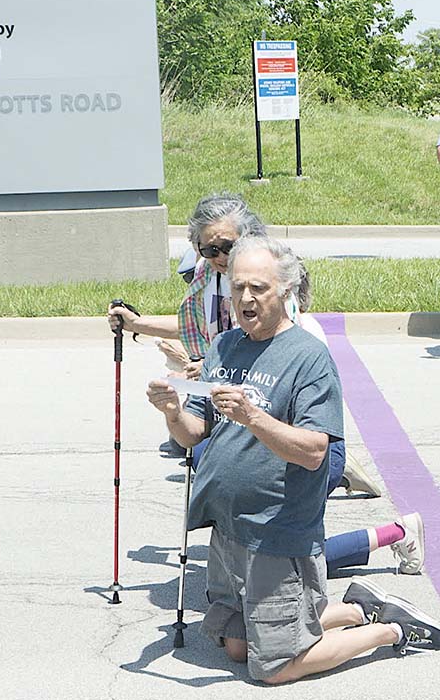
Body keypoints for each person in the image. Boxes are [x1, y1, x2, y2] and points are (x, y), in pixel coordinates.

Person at [146, 236, 440, 684]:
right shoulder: (224, 347)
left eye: (258, 288)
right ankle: (353, 608)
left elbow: (314, 450)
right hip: (227, 527)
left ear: (284, 290)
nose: (245, 298)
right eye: (238, 286)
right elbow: (195, 434)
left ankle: (392, 629)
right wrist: (172, 412)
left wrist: (251, 416)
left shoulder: (308, 356)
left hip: (276, 531)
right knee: (237, 645)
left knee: (274, 668)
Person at [112, 192, 425, 573]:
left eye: (225, 247)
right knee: (259, 562)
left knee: (290, 558)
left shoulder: (288, 321)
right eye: (206, 248)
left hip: (293, 443)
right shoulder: (210, 286)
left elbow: (275, 373)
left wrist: (213, 381)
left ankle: (382, 582)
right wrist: (142, 331)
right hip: (245, 434)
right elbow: (201, 336)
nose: (217, 258)